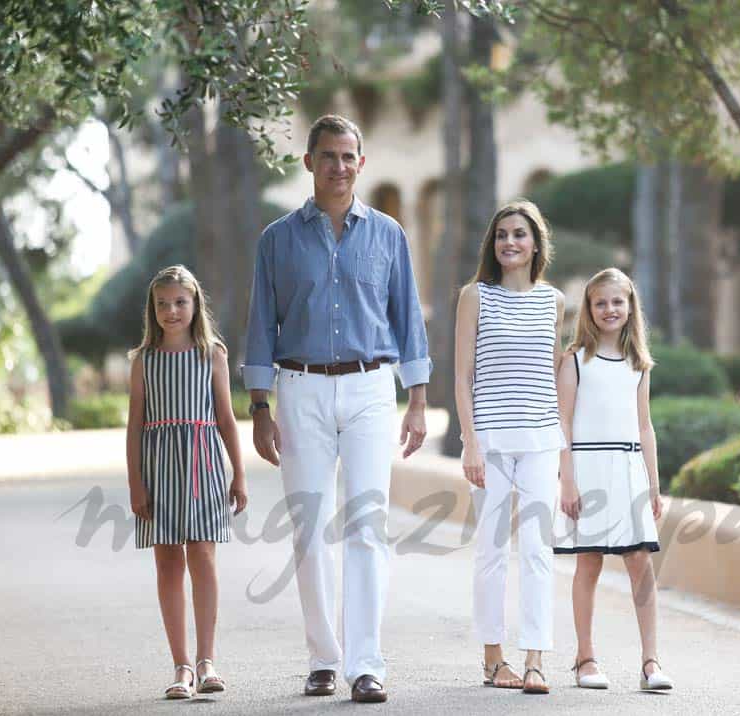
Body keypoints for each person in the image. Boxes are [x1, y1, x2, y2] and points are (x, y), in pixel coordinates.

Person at [242, 114, 430, 704]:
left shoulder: (389, 234)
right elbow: (259, 324)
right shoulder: (277, 239)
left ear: (361, 163)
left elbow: (408, 319)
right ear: (310, 163)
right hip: (300, 389)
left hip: (373, 389)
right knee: (308, 526)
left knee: (367, 525)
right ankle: (323, 657)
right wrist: (259, 406)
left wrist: (418, 399)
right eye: (329, 156)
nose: (339, 167)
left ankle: (365, 663)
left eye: (349, 157)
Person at [454, 200, 565, 695]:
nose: (510, 243)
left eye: (519, 234)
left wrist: (566, 449)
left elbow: (552, 375)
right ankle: (494, 659)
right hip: (491, 441)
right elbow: (462, 377)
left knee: (540, 550)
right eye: (501, 235)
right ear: (492, 244)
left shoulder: (554, 301)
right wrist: (470, 443)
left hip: (541, 439)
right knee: (492, 550)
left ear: (536, 242)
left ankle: (536, 658)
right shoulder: (474, 296)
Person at [126, 264, 248, 700]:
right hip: (158, 467)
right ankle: (180, 666)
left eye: (179, 302)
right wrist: (136, 484)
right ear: (152, 309)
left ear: (195, 305)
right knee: (168, 563)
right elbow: (135, 424)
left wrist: (239, 474)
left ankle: (207, 659)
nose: (171, 311)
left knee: (203, 557)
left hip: (203, 466)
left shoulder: (212, 353)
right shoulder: (143, 360)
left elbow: (227, 419)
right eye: (162, 304)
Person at [553, 267, 675, 692]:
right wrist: (566, 481)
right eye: (600, 302)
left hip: (628, 473)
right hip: (587, 472)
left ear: (630, 307)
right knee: (588, 563)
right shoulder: (575, 361)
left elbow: (645, 427)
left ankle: (651, 662)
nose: (610, 309)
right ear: (588, 308)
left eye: (617, 302)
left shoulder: (639, 363)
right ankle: (585, 659)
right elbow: (562, 423)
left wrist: (654, 486)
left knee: (641, 564)